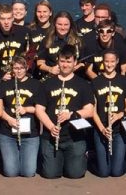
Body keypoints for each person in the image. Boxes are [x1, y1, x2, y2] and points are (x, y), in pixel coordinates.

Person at [35, 45, 94, 179]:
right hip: (51, 136)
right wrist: (50, 127)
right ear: (58, 61)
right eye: (62, 61)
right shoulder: (47, 84)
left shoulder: (83, 84)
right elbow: (39, 110)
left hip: (74, 137)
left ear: (75, 63)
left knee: (75, 174)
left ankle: (82, 157)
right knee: (51, 174)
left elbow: (89, 111)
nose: (65, 65)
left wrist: (71, 115)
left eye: (68, 62)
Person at [0, 55, 41, 177]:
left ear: (26, 68)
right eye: (15, 68)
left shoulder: (36, 84)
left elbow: (41, 109)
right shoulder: (5, 85)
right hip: (8, 133)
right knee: (11, 172)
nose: (18, 71)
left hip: (30, 133)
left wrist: (26, 109)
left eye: (21, 68)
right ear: (12, 69)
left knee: (28, 172)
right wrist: (9, 119)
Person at [90, 50, 126, 177]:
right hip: (101, 129)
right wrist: (101, 128)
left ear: (117, 62)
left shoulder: (124, 81)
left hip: (119, 130)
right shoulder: (96, 82)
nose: (109, 64)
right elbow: (93, 110)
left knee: (116, 172)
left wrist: (118, 115)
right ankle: (92, 158)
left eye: (112, 61)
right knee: (104, 173)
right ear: (102, 62)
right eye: (106, 61)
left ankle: (122, 160)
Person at [36, 12, 84, 79]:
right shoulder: (46, 41)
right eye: (59, 24)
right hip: (52, 78)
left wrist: (71, 69)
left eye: (66, 25)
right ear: (55, 24)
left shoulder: (78, 41)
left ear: (70, 25)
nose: (63, 28)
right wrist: (50, 69)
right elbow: (40, 62)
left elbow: (83, 63)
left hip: (72, 79)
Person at [0, 4, 29, 78]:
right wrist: (0, 75)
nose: (6, 22)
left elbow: (31, 53)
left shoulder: (24, 32)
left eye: (9, 18)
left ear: (13, 18)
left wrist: (25, 70)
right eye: (3, 19)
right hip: (1, 77)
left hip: (21, 74)